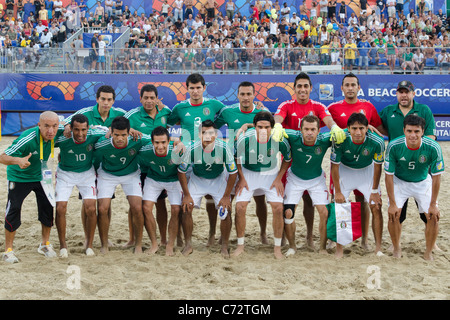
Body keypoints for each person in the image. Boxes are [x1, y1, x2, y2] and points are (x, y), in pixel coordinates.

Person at [272, 72, 345, 248]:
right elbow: (278, 118)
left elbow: (328, 120)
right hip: (290, 160)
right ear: (294, 89)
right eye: (299, 86)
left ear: (311, 88)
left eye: (306, 86)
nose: (303, 89)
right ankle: (283, 237)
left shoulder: (318, 106)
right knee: (286, 204)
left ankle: (310, 237)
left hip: (312, 161)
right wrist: (277, 125)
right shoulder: (287, 105)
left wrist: (334, 127)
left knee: (309, 202)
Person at [167, 73, 227, 247]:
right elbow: (168, 126)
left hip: (208, 155)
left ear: (204, 88)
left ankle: (212, 233)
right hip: (187, 158)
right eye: (191, 88)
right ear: (187, 89)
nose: (195, 91)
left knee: (210, 198)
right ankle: (179, 236)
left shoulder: (214, 104)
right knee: (182, 200)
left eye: (198, 87)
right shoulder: (180, 107)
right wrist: (175, 139)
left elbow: (228, 115)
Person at [0, 111, 62, 263]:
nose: (50, 131)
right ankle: (8, 250)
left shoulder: (58, 132)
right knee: (14, 208)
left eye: (54, 126)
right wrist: (18, 160)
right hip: (20, 176)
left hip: (42, 175)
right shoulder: (27, 138)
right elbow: (2, 157)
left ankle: (45, 244)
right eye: (46, 126)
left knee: (48, 207)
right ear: (39, 125)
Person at [214, 81, 270, 245]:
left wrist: (248, 125)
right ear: (237, 95)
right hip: (233, 163)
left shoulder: (262, 111)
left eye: (249, 94)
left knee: (260, 201)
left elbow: (272, 127)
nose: (246, 98)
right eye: (242, 94)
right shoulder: (228, 112)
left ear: (254, 95)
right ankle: (224, 235)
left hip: (257, 163)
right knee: (228, 200)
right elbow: (211, 126)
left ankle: (263, 233)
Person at [233, 111, 292, 259]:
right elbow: (236, 158)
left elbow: (287, 159)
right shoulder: (245, 138)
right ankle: (240, 245)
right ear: (255, 126)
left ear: (272, 127)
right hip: (248, 172)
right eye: (260, 127)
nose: (263, 130)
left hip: (270, 172)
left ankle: (277, 248)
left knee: (278, 208)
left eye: (267, 127)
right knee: (240, 207)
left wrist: (279, 178)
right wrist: (241, 177)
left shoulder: (279, 139)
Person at [385, 115, 444, 260]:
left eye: (417, 131)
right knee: (394, 215)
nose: (413, 135)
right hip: (400, 181)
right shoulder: (394, 145)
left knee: (433, 217)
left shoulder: (433, 147)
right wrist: (392, 204)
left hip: (422, 182)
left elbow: (436, 178)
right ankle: (397, 248)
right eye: (409, 131)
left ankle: (428, 252)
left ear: (423, 131)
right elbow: (388, 176)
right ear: (404, 130)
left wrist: (433, 204)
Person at [124, 84, 175, 248]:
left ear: (157, 99)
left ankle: (163, 239)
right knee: (135, 205)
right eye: (145, 97)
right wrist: (128, 128)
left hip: (158, 168)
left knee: (161, 204)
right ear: (140, 99)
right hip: (139, 167)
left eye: (152, 98)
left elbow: (181, 121)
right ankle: (132, 239)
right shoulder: (132, 115)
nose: (149, 101)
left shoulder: (165, 112)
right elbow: (116, 127)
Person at [178, 120, 237, 258]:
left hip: (217, 179)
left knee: (226, 209)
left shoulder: (223, 147)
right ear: (199, 134)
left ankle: (224, 246)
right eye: (204, 133)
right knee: (186, 207)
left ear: (216, 135)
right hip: (198, 179)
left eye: (210, 133)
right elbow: (181, 171)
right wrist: (186, 195)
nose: (207, 136)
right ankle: (188, 244)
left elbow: (233, 173)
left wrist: (226, 196)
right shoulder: (192, 148)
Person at [330, 113, 385, 258]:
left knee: (376, 205)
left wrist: (374, 190)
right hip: (345, 171)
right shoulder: (340, 140)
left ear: (367, 128)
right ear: (348, 128)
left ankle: (378, 247)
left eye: (361, 128)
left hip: (367, 172)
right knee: (340, 206)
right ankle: (339, 249)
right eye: (354, 128)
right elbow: (334, 167)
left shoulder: (377, 142)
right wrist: (338, 191)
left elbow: (378, 167)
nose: (358, 132)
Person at [94, 116, 150, 254]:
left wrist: (178, 141)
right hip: (107, 175)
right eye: (116, 135)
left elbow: (157, 138)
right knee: (102, 208)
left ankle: (138, 244)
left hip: (130, 174)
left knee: (137, 207)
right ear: (111, 132)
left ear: (129, 133)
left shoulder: (137, 139)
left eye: (123, 135)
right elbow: (89, 138)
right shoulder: (102, 143)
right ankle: (104, 244)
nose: (120, 138)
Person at [54, 114, 105, 258]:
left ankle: (89, 244)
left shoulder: (95, 133)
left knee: (90, 207)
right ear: (71, 128)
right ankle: (63, 246)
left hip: (86, 173)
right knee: (60, 208)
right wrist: (63, 125)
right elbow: (48, 131)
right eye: (76, 130)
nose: (80, 134)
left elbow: (112, 131)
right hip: (65, 173)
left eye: (83, 130)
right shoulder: (63, 136)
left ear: (88, 128)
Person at [283, 115, 332, 256]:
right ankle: (292, 247)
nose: (309, 132)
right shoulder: (292, 136)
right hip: (295, 178)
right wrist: (246, 126)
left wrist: (369, 129)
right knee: (288, 213)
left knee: (324, 212)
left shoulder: (325, 139)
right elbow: (270, 127)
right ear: (300, 130)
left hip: (316, 179)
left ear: (318, 131)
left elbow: (351, 132)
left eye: (313, 129)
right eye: (306, 129)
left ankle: (322, 247)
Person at [138, 126, 183, 256]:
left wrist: (179, 141)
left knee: (176, 210)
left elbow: (192, 143)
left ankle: (169, 244)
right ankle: (154, 244)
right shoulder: (145, 150)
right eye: (157, 142)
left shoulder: (177, 150)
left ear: (169, 141)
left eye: (163, 142)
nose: (160, 146)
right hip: (154, 179)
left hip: (174, 180)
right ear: (152, 142)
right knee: (146, 208)